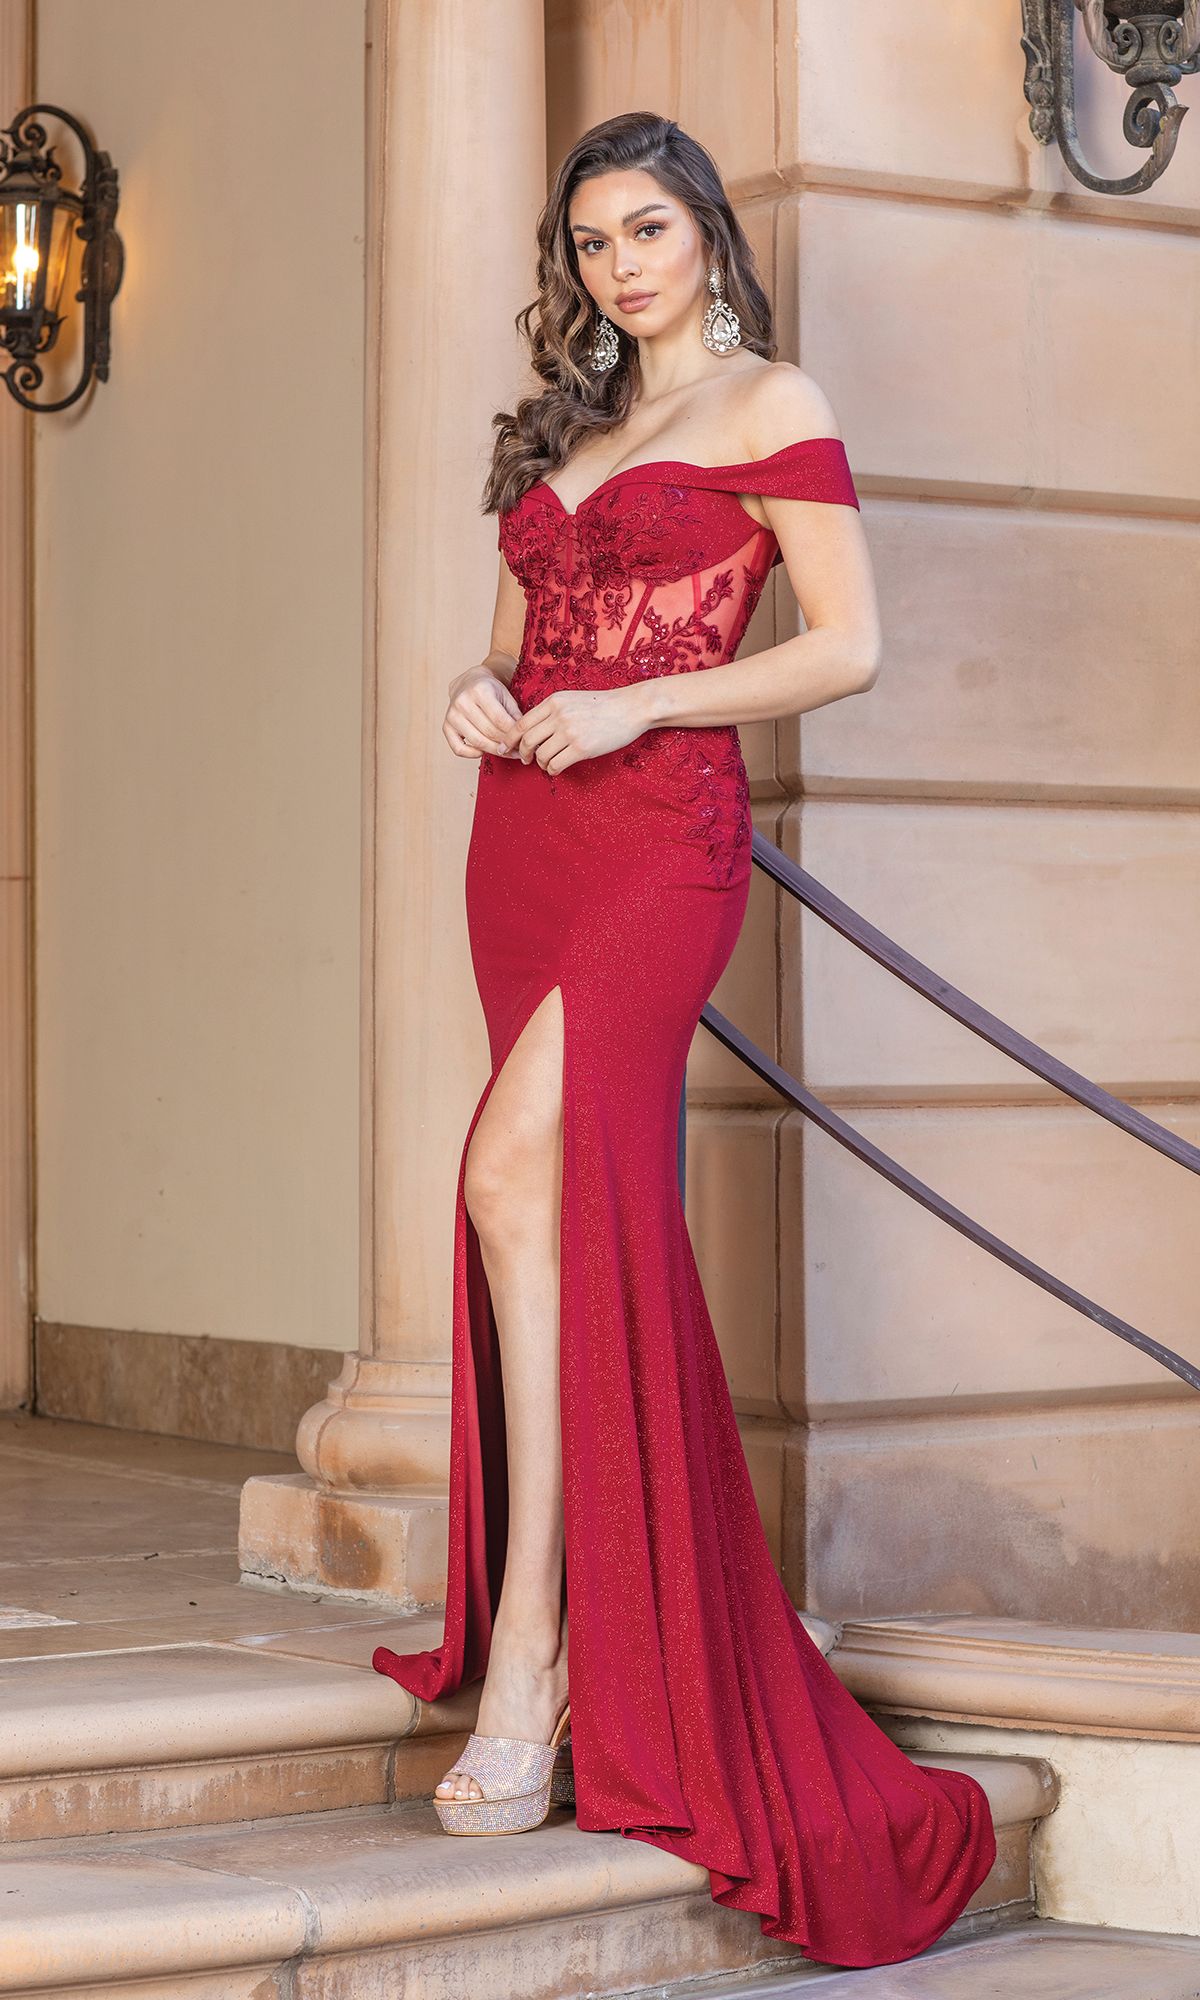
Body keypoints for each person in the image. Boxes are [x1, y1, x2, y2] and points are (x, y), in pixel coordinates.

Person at [372, 109, 997, 1968]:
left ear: (709, 235)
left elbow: (847, 644)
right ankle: (564, 1635)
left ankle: (544, 1650)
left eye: (649, 228)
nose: (620, 264)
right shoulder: (563, 430)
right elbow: (517, 644)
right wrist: (487, 693)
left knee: (508, 1172)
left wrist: (643, 700)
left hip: (663, 840)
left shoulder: (767, 400)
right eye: (591, 241)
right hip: (532, 841)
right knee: (537, 1217)